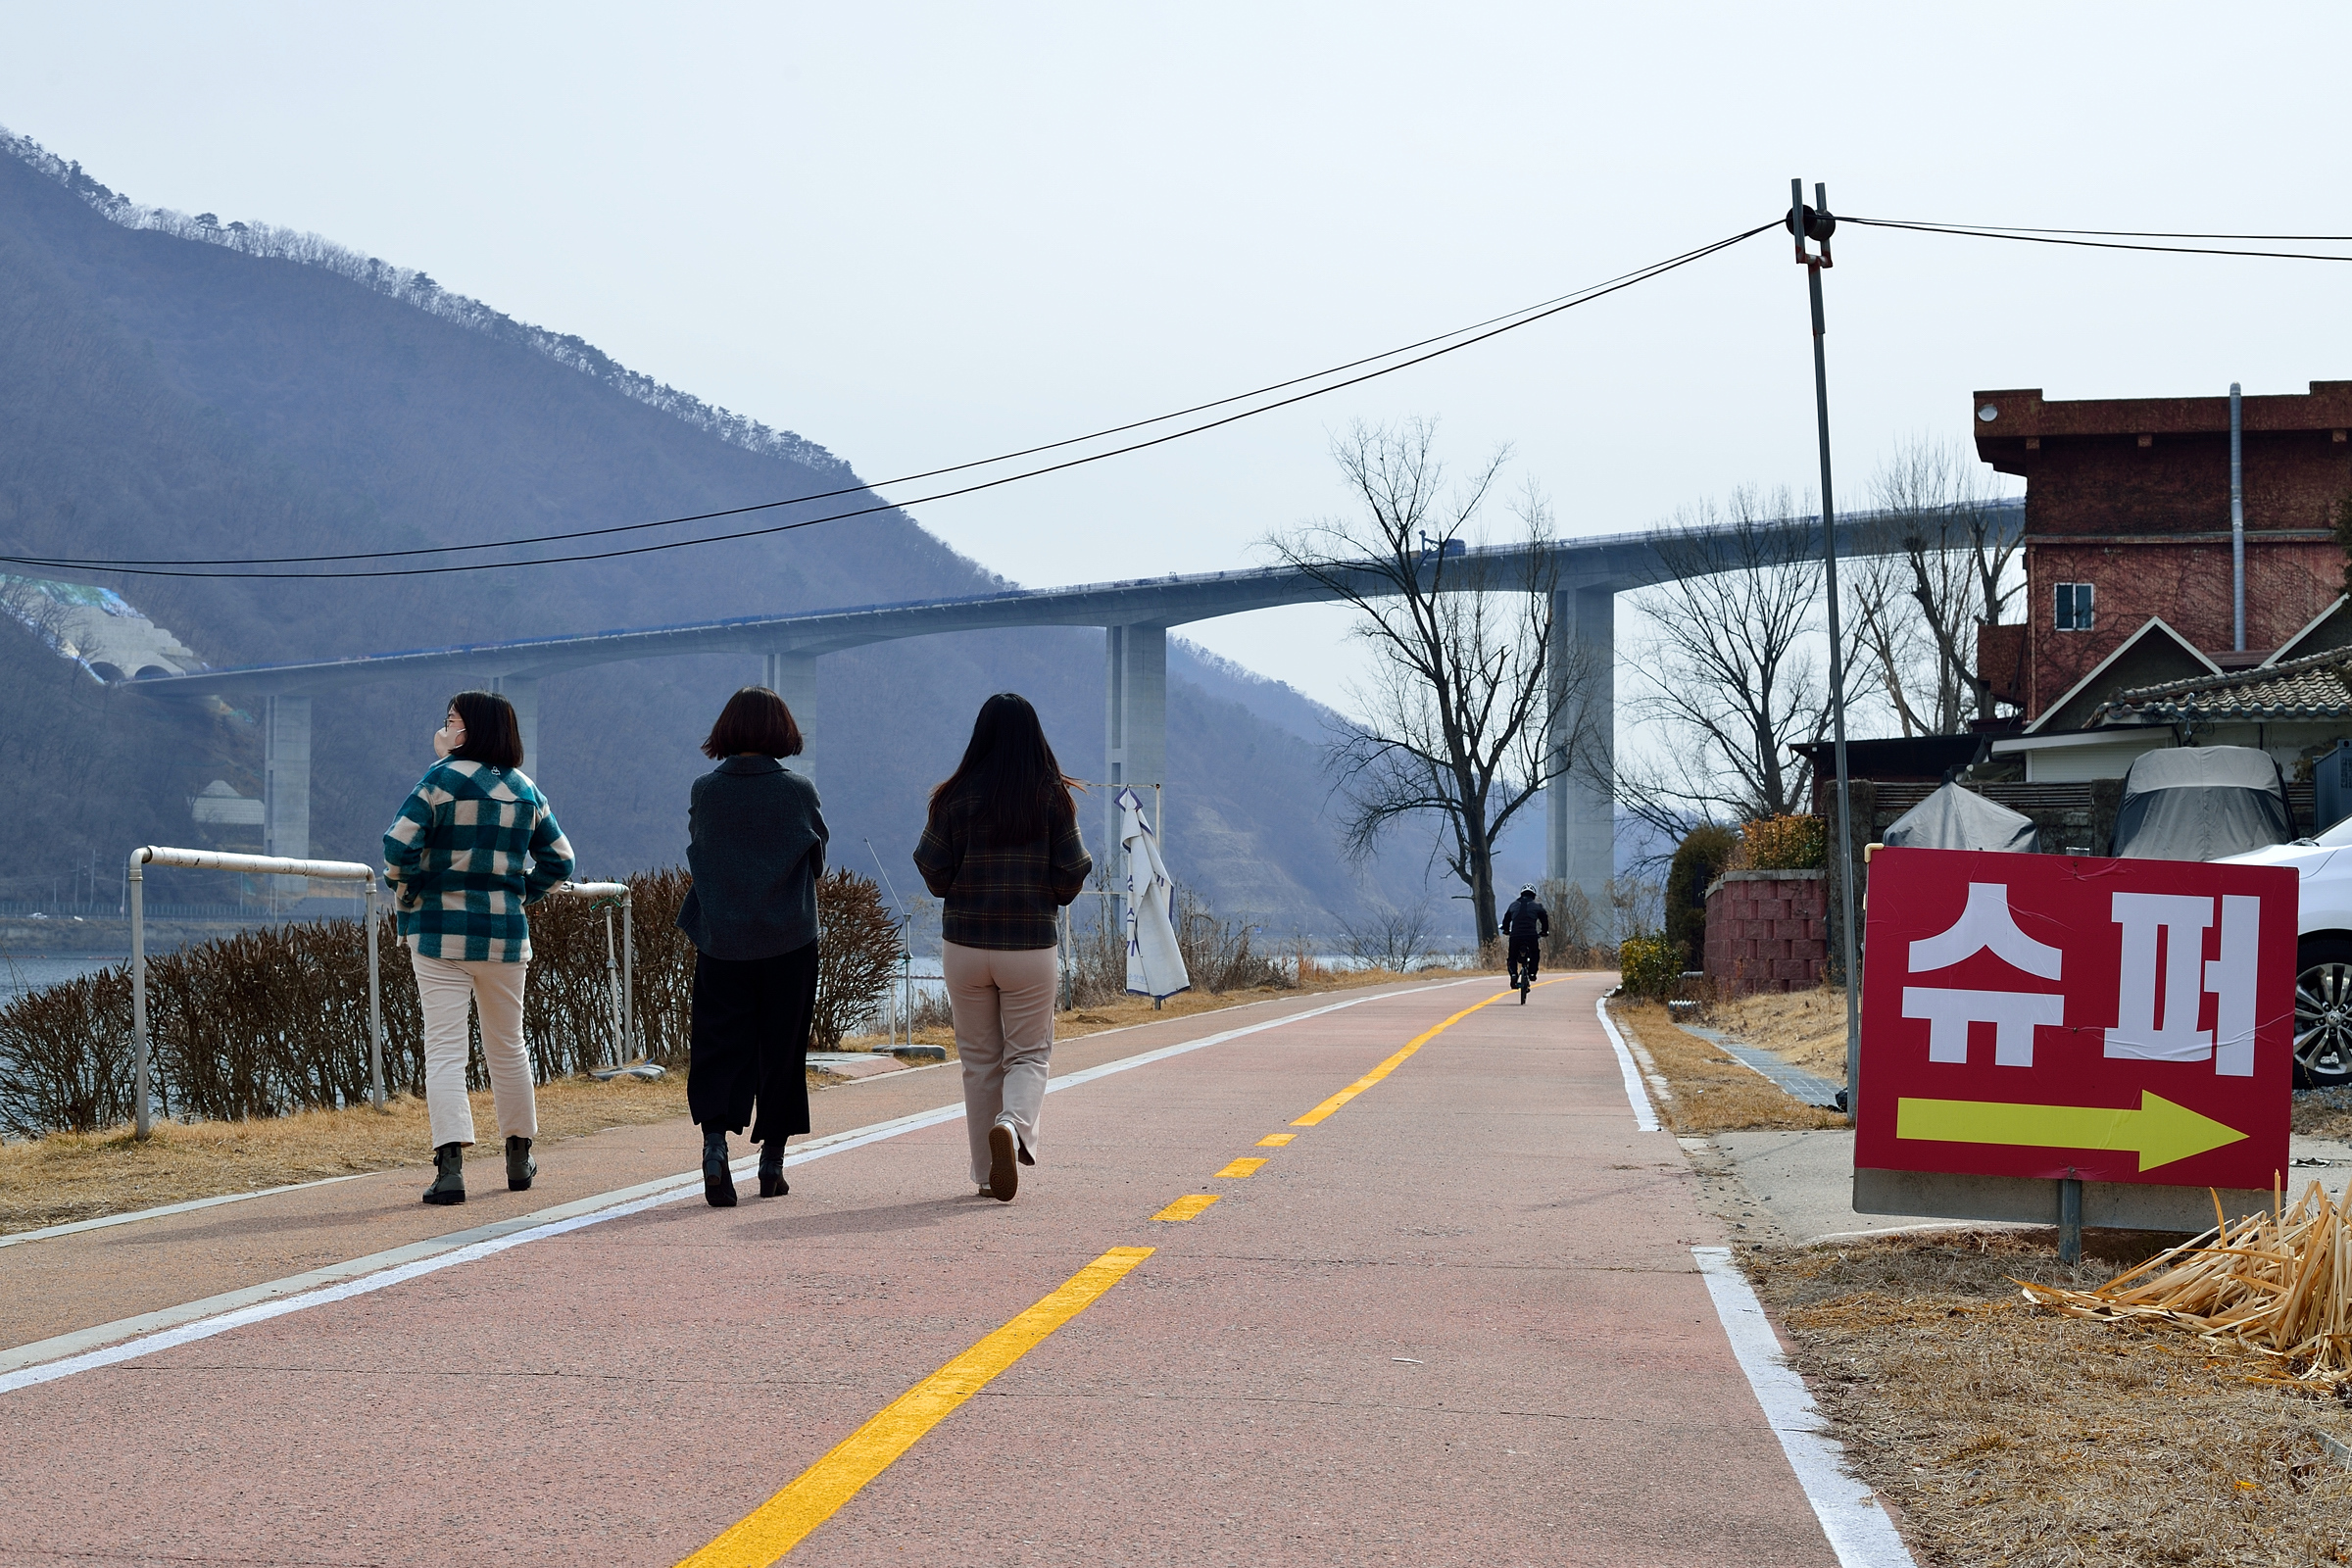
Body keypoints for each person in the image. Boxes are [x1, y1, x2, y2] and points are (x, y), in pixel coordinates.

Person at [384, 691, 575, 1206]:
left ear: (468, 730)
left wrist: (410, 890)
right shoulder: (526, 790)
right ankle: (518, 1158)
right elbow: (561, 861)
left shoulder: (438, 781)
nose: (444, 727)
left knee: (446, 1050)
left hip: (438, 933)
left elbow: (397, 846)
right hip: (505, 935)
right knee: (508, 1045)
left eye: (451, 720)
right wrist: (519, 895)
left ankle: (450, 1171)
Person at [913, 693, 1090, 1202]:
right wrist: (1046, 892)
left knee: (978, 1061)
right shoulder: (1052, 797)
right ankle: (1011, 1127)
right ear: (1035, 738)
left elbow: (932, 868)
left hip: (965, 946)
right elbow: (1072, 870)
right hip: (1029, 946)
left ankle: (987, 1175)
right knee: (1029, 1054)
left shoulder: (953, 796)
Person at [676, 687, 828, 1207]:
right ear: (781, 730)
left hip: (721, 940)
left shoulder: (706, 791)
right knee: (781, 1050)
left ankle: (715, 1148)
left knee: (718, 1045)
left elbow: (702, 851)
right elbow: (816, 861)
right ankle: (771, 1164)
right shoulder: (799, 791)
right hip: (789, 941)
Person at [1501, 884, 1549, 993]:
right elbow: (1544, 919)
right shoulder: (1537, 906)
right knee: (1535, 953)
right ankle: (1532, 973)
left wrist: (1506, 930)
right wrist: (1544, 931)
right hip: (1531, 935)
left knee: (1512, 956)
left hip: (1515, 935)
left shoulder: (1513, 905)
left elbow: (1506, 920)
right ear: (1533, 895)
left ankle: (1513, 974)